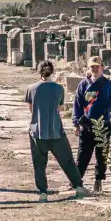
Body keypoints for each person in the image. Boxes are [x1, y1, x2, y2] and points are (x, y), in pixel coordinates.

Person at [26, 60, 86, 198]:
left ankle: (42, 192)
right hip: (55, 129)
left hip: (37, 131)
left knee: (39, 164)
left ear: (38, 71)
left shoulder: (31, 88)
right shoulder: (59, 89)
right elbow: (59, 108)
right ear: (52, 71)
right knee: (67, 160)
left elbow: (31, 108)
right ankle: (78, 185)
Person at [73, 55, 111, 189]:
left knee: (102, 154)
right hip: (87, 124)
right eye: (92, 67)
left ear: (102, 67)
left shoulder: (108, 85)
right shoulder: (83, 84)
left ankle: (98, 180)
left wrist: (109, 108)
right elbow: (77, 105)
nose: (95, 69)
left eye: (97, 66)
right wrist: (76, 124)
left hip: (103, 124)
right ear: (88, 68)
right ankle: (76, 180)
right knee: (83, 154)